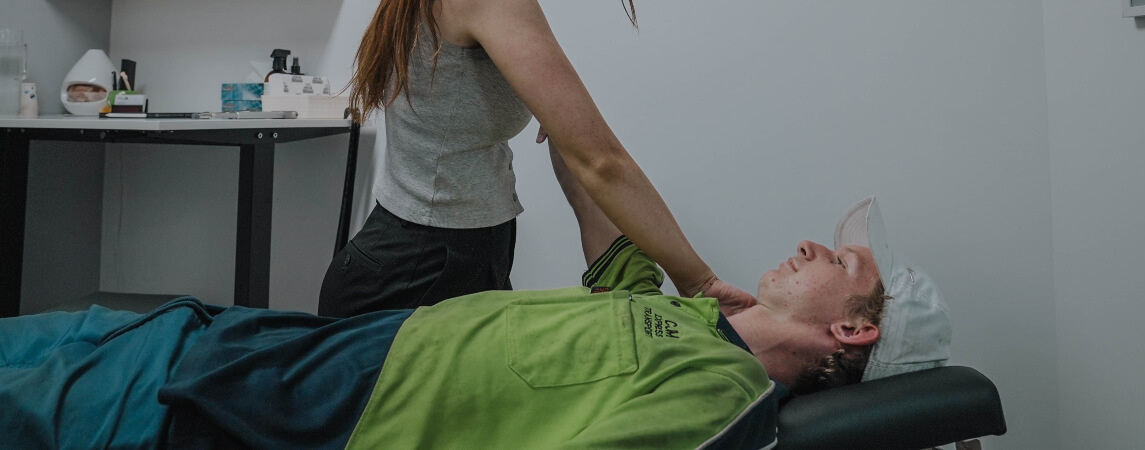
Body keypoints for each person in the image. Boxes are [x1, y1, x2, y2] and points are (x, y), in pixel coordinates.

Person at [0, 141, 950, 449]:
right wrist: (543, 109)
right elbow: (596, 190)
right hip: (231, 339)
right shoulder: (694, 314)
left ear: (852, 328)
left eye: (843, 259)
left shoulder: (721, 398)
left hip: (273, 409)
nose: (810, 244)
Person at [320, 0, 749, 317]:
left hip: (462, 255)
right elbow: (602, 163)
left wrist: (563, 120)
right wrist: (701, 283)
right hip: (416, 272)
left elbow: (587, 165)